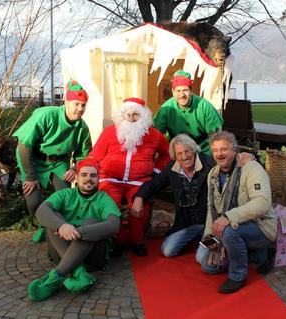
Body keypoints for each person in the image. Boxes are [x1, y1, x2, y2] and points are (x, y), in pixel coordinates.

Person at [27, 159, 121, 301]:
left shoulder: (103, 198)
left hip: (92, 258)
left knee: (91, 222)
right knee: (54, 217)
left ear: (98, 179)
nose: (88, 179)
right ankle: (79, 272)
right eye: (84, 175)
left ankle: (56, 277)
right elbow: (41, 211)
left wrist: (77, 233)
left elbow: (114, 225)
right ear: (76, 178)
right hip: (61, 252)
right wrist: (62, 226)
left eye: (93, 176)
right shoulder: (65, 194)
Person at [88, 97, 170, 256]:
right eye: (128, 114)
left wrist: (156, 172)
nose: (131, 118)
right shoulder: (110, 132)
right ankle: (117, 240)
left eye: (136, 115)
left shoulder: (154, 135)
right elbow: (95, 155)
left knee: (141, 207)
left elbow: (167, 154)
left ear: (144, 116)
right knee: (111, 206)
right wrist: (89, 172)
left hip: (140, 182)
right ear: (122, 115)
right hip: (110, 179)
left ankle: (136, 240)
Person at [196, 131, 277, 294]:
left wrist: (228, 217)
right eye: (215, 150)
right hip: (230, 227)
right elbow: (211, 209)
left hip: (259, 226)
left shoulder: (251, 167)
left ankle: (238, 275)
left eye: (224, 149)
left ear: (234, 150)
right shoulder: (213, 174)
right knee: (205, 262)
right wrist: (208, 235)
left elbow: (262, 202)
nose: (219, 154)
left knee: (229, 232)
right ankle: (254, 255)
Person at [13, 80, 92, 242]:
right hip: (33, 159)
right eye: (76, 104)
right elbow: (23, 146)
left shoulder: (82, 127)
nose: (80, 109)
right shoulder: (47, 115)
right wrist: (29, 176)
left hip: (59, 163)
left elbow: (84, 155)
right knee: (33, 201)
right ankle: (42, 225)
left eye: (83, 105)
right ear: (67, 102)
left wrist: (74, 168)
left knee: (64, 197)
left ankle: (58, 230)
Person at [132, 134, 216, 257]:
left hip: (209, 223)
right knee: (168, 250)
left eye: (187, 151)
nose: (185, 157)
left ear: (194, 149)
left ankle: (208, 239)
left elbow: (228, 166)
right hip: (187, 224)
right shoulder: (172, 168)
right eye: (179, 154)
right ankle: (197, 235)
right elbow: (153, 184)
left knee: (202, 257)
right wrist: (139, 198)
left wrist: (247, 157)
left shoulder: (209, 163)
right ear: (175, 156)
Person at [153, 70, 223, 155]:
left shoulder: (204, 106)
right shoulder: (166, 109)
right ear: (173, 92)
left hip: (203, 151)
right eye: (178, 91)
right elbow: (155, 134)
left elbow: (216, 137)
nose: (182, 94)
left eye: (185, 90)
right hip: (176, 152)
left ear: (190, 91)